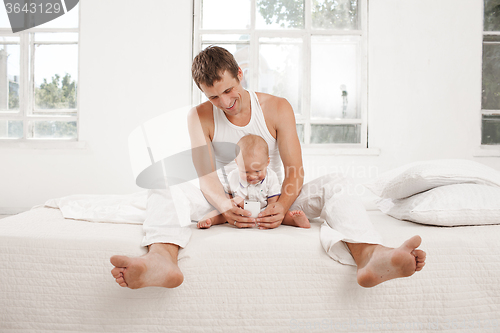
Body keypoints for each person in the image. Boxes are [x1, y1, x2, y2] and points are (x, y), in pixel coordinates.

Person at [110, 46, 426, 289]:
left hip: (274, 195)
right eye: (213, 97)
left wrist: (282, 205)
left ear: (239, 73)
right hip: (226, 197)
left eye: (228, 90)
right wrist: (224, 205)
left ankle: (370, 255)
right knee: (164, 182)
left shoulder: (276, 107)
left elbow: (295, 171)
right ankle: (162, 261)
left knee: (338, 182)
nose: (224, 102)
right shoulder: (199, 116)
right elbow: (205, 175)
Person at [197, 134, 310, 229]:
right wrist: (232, 206)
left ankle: (296, 221)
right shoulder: (233, 176)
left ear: (267, 162)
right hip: (241, 211)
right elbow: (228, 195)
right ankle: (209, 220)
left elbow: (273, 200)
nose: (252, 176)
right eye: (246, 172)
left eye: (257, 171)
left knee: (282, 215)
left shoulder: (271, 177)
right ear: (237, 162)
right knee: (222, 213)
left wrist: (271, 211)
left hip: (264, 210)